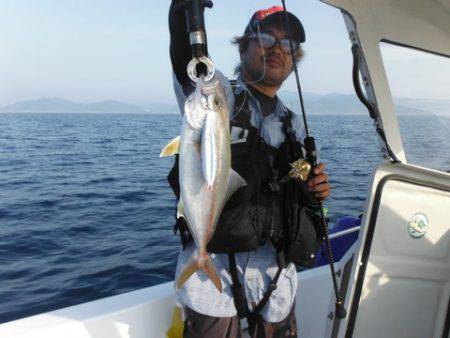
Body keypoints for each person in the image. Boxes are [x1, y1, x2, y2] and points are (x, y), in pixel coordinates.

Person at [168, 3, 331, 338]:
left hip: (277, 280)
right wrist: (181, 12)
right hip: (213, 278)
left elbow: (307, 205)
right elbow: (188, 61)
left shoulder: (294, 124)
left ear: (295, 59)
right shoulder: (218, 96)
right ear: (243, 46)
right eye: (267, 38)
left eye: (288, 46)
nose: (277, 50)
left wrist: (316, 195)